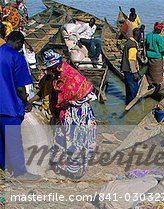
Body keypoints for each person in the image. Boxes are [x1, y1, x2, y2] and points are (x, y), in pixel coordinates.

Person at [42, 49, 97, 179]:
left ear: (56, 65)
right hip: (67, 113)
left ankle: (75, 171)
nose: (50, 70)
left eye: (51, 68)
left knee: (76, 140)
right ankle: (67, 166)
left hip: (78, 113)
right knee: (66, 139)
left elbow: (86, 94)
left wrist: (69, 103)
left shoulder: (71, 76)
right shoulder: (58, 76)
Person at [0, 31, 40, 180]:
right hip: (10, 106)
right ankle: (19, 172)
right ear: (18, 43)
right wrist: (26, 102)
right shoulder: (17, 57)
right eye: (21, 45)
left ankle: (3, 166)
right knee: (13, 140)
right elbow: (20, 88)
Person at [144, 22, 164, 93]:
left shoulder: (148, 36)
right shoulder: (160, 38)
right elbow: (161, 49)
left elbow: (145, 46)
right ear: (159, 30)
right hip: (157, 57)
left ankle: (150, 84)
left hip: (150, 56)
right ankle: (157, 86)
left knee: (150, 71)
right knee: (158, 73)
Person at [121, 28, 141, 105]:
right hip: (130, 70)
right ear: (138, 36)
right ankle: (134, 106)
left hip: (125, 68)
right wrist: (135, 72)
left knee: (128, 89)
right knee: (134, 89)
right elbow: (131, 60)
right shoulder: (133, 45)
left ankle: (128, 103)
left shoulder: (128, 42)